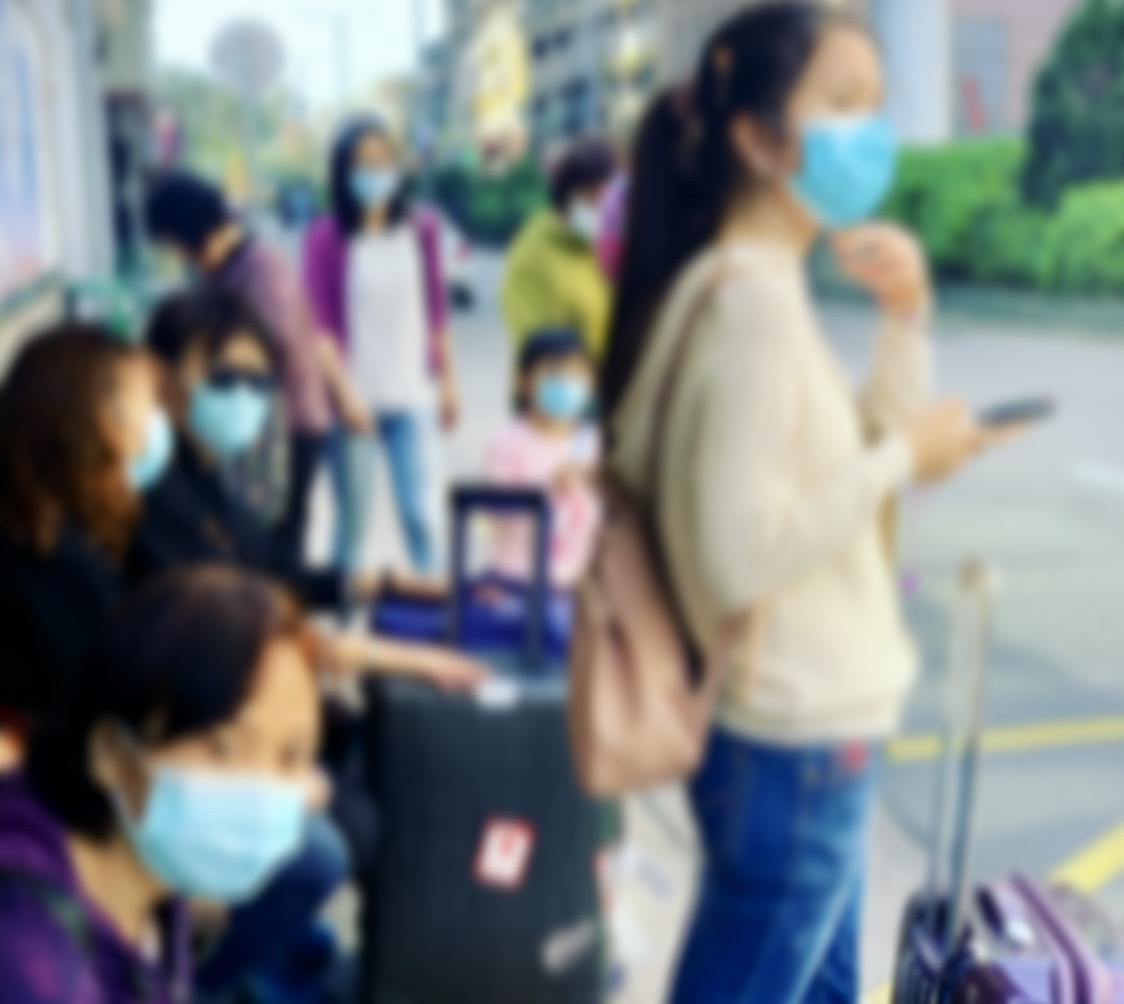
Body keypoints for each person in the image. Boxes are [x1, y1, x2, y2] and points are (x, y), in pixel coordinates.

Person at [601, 5, 1015, 1001]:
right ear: (755, 135)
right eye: (840, 103)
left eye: (876, 104)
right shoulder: (745, 305)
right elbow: (739, 551)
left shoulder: (766, 288)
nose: (868, 131)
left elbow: (858, 454)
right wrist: (897, 460)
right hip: (792, 743)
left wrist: (905, 317)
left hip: (814, 736)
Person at [0, 567, 324, 1004]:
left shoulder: (153, 885)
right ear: (112, 753)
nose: (262, 789)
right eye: (222, 749)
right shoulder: (33, 967)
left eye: (292, 757)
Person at [134, 287, 485, 690]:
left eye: (259, 382)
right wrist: (384, 655)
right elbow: (231, 611)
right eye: (223, 377)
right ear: (158, 376)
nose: (243, 396)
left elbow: (273, 569)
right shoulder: (154, 487)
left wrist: (391, 583)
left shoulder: (207, 474)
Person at [144, 171, 367, 560]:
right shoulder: (219, 271)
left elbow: (267, 345)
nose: (175, 255)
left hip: (290, 425)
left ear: (187, 229)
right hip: (254, 425)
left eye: (171, 243)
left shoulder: (262, 267)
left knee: (278, 542)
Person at [304, 117, 460, 576]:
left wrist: (449, 382)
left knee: (421, 517)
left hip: (413, 397)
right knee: (352, 526)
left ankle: (435, 614)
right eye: (362, 164)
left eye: (383, 161)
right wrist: (347, 397)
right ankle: (341, 620)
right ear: (343, 173)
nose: (375, 173)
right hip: (354, 404)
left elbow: (437, 310)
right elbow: (320, 328)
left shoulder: (422, 228)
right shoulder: (327, 237)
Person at [0, 326, 170, 746]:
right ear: (96, 422)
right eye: (146, 406)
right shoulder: (59, 563)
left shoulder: (35, 526)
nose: (155, 426)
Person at [484, 328, 601, 589]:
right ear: (523, 383)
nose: (567, 385)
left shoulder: (588, 441)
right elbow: (497, 504)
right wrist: (548, 487)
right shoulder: (507, 442)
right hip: (516, 577)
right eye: (554, 374)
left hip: (574, 579)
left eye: (577, 375)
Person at [502, 139, 617, 360]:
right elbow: (533, 340)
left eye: (610, 204)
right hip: (559, 387)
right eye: (593, 198)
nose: (603, 211)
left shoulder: (608, 247)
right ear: (569, 195)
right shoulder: (534, 248)